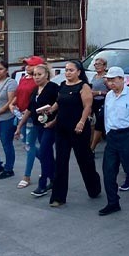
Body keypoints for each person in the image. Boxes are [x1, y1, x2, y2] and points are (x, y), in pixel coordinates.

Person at [47, 61, 101, 207]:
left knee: (84, 160)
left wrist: (82, 122)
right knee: (61, 162)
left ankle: (94, 188)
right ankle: (58, 197)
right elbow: (59, 103)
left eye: (71, 70)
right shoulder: (63, 86)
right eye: (66, 70)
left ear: (78, 72)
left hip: (78, 129)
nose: (68, 72)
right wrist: (50, 110)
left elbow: (88, 106)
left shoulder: (83, 87)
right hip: (62, 128)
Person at [99, 66, 129, 216]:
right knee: (108, 170)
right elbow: (107, 116)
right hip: (113, 135)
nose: (111, 83)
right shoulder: (109, 96)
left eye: (114, 80)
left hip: (128, 135)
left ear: (121, 79)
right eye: (109, 80)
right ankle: (113, 202)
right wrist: (108, 132)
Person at [14, 64, 59, 198]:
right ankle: (54, 179)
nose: (37, 77)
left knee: (44, 151)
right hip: (38, 125)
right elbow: (29, 109)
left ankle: (42, 184)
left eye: (40, 74)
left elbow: (61, 105)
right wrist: (19, 126)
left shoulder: (53, 88)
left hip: (51, 126)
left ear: (46, 75)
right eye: (35, 74)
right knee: (47, 154)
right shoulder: (35, 90)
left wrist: (54, 121)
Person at [12, 57, 41, 189]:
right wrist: (13, 104)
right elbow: (19, 95)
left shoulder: (38, 82)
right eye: (26, 65)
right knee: (27, 145)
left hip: (31, 117)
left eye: (30, 65)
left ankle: (26, 176)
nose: (26, 67)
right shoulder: (24, 78)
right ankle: (49, 163)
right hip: (20, 115)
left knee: (30, 145)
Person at [89, 57, 109, 151]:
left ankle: (92, 148)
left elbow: (111, 92)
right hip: (93, 101)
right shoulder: (95, 76)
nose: (97, 66)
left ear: (105, 66)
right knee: (90, 122)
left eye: (99, 64)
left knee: (99, 123)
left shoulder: (106, 78)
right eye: (95, 64)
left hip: (102, 101)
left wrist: (98, 93)